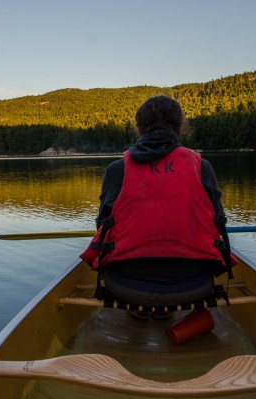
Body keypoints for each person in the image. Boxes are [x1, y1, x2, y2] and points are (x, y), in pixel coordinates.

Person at [79, 95, 235, 319]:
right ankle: (165, 312)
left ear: (139, 128)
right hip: (194, 286)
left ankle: (138, 310)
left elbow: (102, 225)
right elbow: (218, 220)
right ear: (179, 128)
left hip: (125, 286)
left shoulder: (117, 169)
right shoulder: (202, 166)